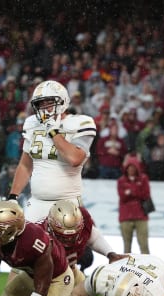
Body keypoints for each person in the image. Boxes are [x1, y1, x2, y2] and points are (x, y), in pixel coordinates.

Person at [7, 80, 97, 222]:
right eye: (40, 104)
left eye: (48, 102)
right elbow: (25, 165)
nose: (44, 108)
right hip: (36, 202)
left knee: (89, 240)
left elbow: (74, 159)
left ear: (63, 101)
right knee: (24, 242)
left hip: (68, 203)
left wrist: (53, 131)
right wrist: (13, 197)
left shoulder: (79, 122)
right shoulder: (32, 123)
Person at [117, 156, 151, 254]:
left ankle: (147, 266)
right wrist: (136, 190)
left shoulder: (144, 179)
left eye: (133, 167)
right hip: (126, 217)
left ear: (137, 168)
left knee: (144, 245)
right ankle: (126, 268)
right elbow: (122, 197)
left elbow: (146, 195)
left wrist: (130, 192)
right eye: (129, 167)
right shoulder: (121, 180)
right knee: (127, 247)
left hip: (141, 216)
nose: (131, 170)